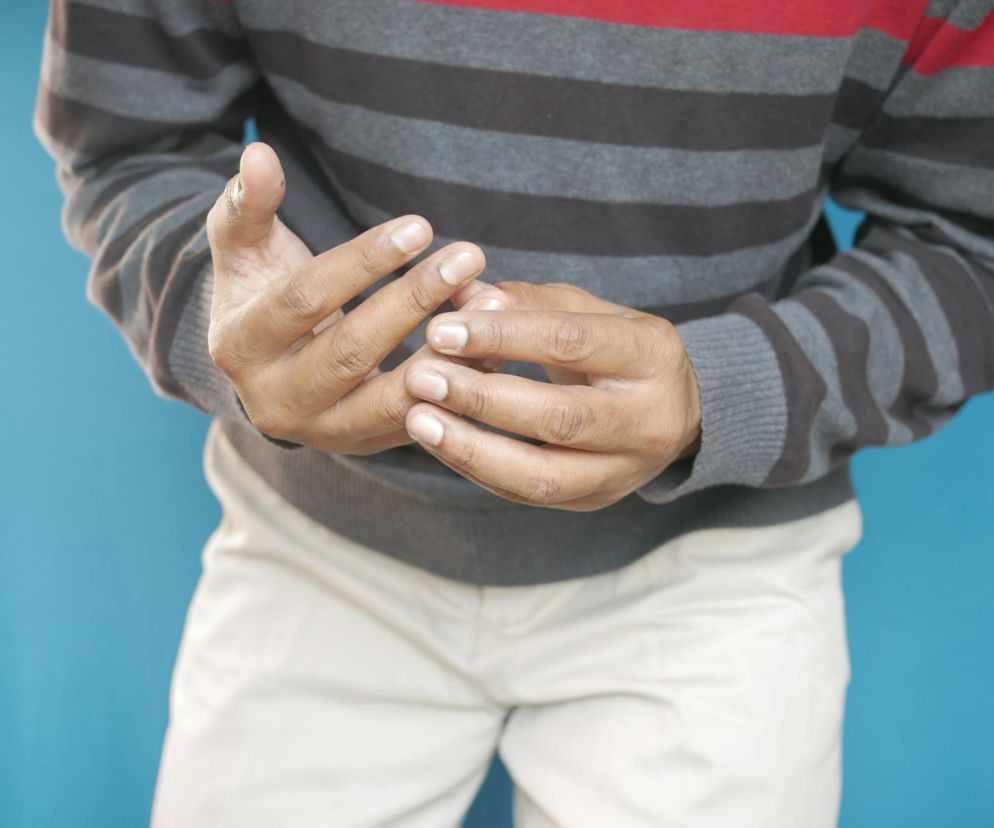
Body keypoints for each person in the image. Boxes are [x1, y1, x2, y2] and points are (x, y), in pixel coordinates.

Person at [35, 1, 993, 826]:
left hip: (712, 574)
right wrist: (230, 322)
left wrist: (722, 389)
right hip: (319, 540)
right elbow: (127, 137)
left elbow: (974, 242)